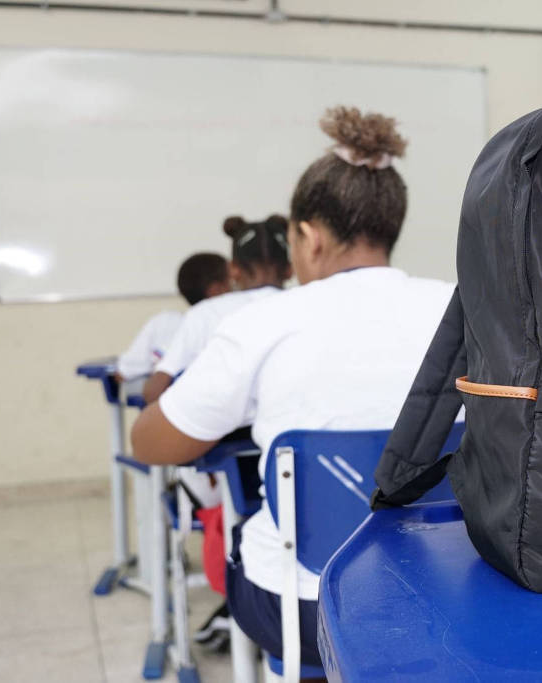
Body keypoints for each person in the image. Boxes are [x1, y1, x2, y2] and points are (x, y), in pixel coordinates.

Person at [132, 106, 454, 674]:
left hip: (305, 608)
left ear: (307, 237)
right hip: (446, 591)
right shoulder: (464, 308)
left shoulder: (261, 323)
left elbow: (152, 443)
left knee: (249, 533)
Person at [142, 215, 291, 404]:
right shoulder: (309, 306)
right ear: (290, 269)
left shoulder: (205, 313)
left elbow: (155, 390)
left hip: (219, 422)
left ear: (233, 270)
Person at [114, 252, 229, 382]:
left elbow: (123, 373)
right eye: (233, 280)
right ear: (216, 290)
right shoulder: (229, 327)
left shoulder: (163, 322)